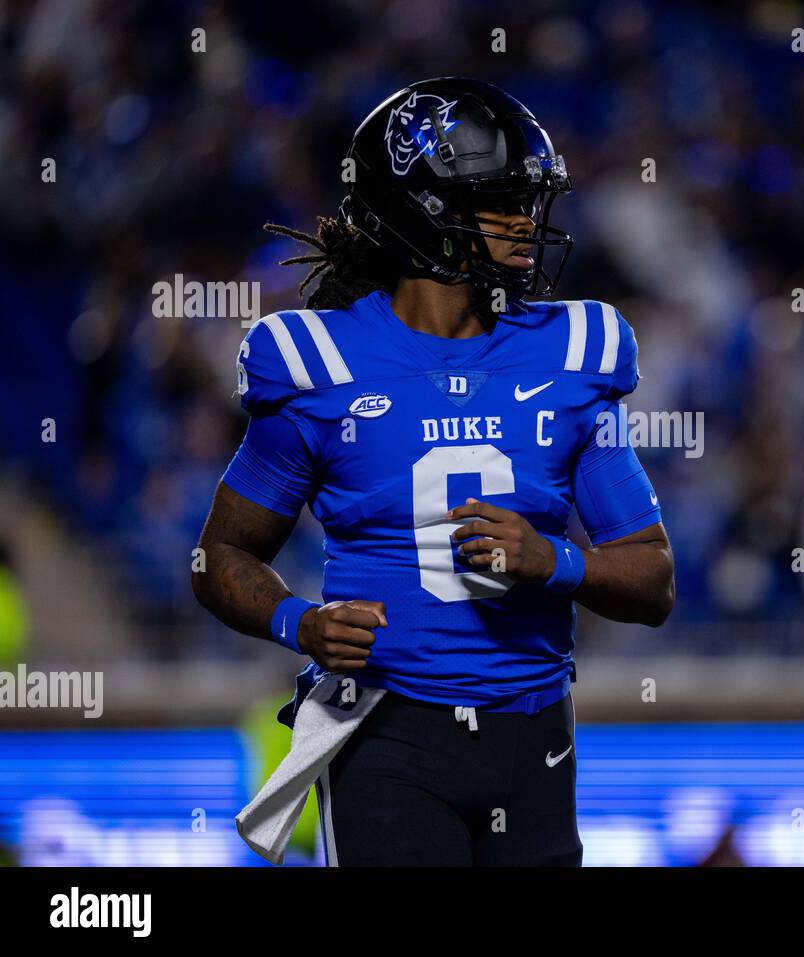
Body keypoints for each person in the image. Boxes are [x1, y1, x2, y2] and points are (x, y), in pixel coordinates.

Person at [193, 77, 674, 866]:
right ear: (428, 210)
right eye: (503, 200)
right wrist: (299, 622)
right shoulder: (321, 365)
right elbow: (219, 556)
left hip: (536, 736)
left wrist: (552, 559)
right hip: (389, 735)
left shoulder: (573, 352)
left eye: (529, 199)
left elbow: (653, 580)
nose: (528, 222)